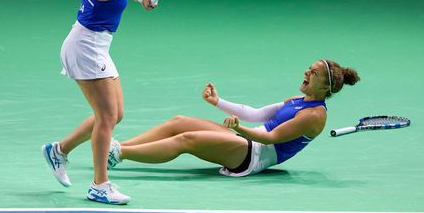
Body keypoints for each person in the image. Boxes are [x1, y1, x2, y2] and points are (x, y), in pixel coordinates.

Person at [41, 0, 158, 205]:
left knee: (114, 114)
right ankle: (99, 185)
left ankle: (59, 150)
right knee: (106, 117)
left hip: (96, 46)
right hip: (86, 48)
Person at [107, 59, 360, 177]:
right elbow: (257, 115)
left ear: (325, 87)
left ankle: (120, 155)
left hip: (254, 156)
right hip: (247, 141)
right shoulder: (298, 99)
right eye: (309, 67)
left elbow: (270, 137)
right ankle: (121, 146)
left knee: (186, 139)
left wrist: (241, 129)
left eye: (313, 72)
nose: (306, 71)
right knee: (179, 121)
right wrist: (218, 102)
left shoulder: (315, 116)